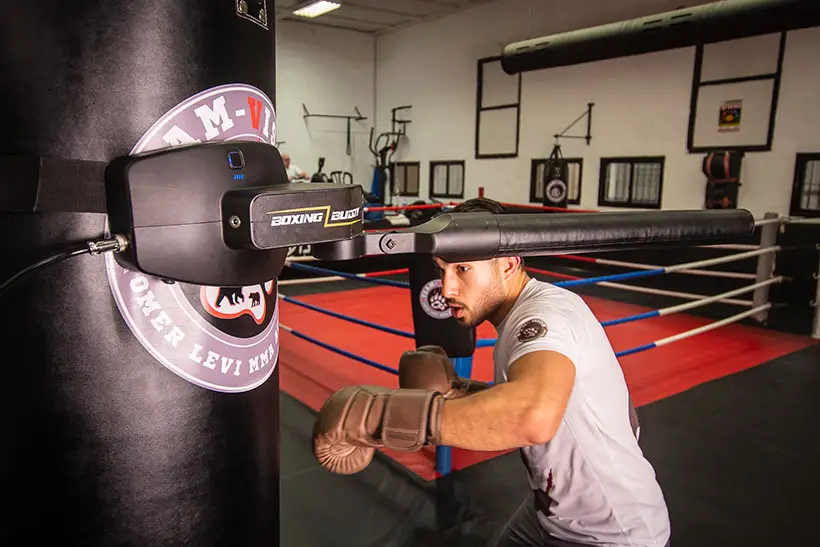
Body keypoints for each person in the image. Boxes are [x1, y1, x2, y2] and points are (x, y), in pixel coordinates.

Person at [312, 197, 671, 547]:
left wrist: (378, 415)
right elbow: (549, 412)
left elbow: (534, 417)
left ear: (508, 264)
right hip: (553, 515)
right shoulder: (524, 313)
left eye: (462, 269)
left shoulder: (542, 318)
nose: (447, 288)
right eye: (442, 271)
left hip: (612, 533)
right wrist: (458, 392)